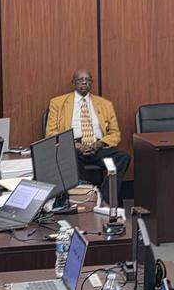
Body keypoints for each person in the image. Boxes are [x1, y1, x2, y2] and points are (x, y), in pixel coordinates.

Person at [45, 69, 131, 203]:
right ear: (73, 83)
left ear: (91, 83)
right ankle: (80, 199)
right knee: (69, 158)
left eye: (87, 80)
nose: (84, 82)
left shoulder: (105, 104)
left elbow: (115, 134)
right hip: (73, 147)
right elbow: (51, 133)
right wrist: (76, 145)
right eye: (80, 79)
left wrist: (99, 144)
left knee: (123, 157)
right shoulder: (58, 103)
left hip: (97, 148)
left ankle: (103, 199)